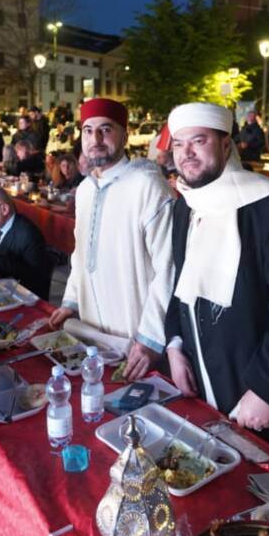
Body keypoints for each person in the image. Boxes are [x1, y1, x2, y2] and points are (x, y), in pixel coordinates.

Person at [163, 103, 269, 468]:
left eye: (198, 141)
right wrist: (175, 344)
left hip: (259, 391)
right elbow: (181, 282)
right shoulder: (185, 206)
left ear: (226, 144)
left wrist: (267, 388)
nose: (187, 153)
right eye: (179, 144)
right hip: (203, 379)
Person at [48, 98, 174, 381]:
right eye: (88, 130)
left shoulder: (148, 186)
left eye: (106, 129)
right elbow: (81, 254)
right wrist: (71, 301)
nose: (95, 139)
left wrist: (151, 337)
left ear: (125, 136)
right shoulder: (85, 190)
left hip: (137, 341)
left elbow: (169, 267)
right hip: (91, 334)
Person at [0, 186, 53, 299]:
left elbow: (35, 276)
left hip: (25, 298)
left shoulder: (28, 235)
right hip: (4, 289)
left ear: (4, 210)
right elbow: (2, 246)